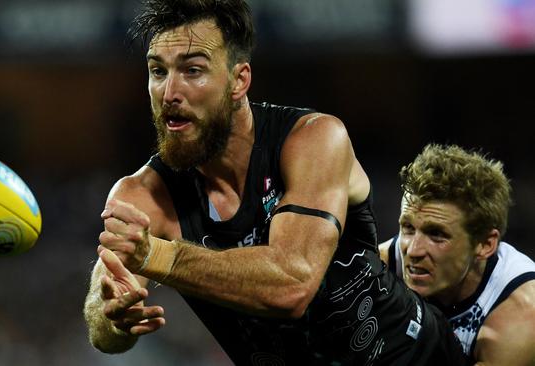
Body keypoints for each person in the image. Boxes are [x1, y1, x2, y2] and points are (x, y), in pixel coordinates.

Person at [84, 0, 467, 364]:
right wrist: (115, 318)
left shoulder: (313, 139)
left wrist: (158, 256)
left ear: (239, 80)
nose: (169, 93)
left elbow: (293, 284)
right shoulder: (143, 195)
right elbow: (101, 326)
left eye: (193, 70)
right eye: (158, 71)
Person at [379, 144, 535, 365]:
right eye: (408, 228)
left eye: (436, 235)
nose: (413, 251)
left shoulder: (520, 316)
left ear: (485, 244)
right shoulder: (381, 266)